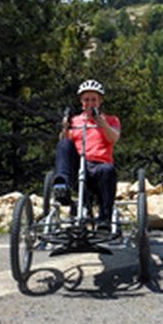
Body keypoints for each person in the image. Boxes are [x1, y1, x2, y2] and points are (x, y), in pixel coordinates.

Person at [52, 80, 121, 230]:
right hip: (78, 167)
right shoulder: (75, 121)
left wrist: (102, 124)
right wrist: (65, 128)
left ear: (100, 101)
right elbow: (64, 146)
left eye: (94, 100)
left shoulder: (111, 120)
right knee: (64, 144)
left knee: (108, 170)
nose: (90, 103)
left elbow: (114, 138)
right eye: (86, 100)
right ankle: (62, 185)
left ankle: (104, 219)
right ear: (81, 102)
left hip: (99, 167)